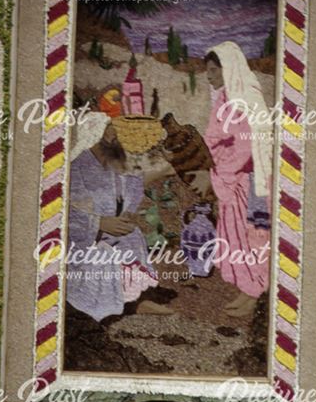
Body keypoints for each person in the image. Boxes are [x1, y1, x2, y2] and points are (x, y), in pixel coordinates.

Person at [190, 41, 273, 317]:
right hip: (231, 177)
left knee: (251, 237)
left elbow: (245, 146)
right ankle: (247, 289)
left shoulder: (241, 99)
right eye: (207, 70)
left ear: (228, 69)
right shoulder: (227, 97)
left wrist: (218, 172)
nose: (209, 75)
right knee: (237, 237)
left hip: (245, 180)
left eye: (214, 70)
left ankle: (254, 292)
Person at [66, 112, 171, 321]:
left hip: (111, 235)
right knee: (104, 257)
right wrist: (99, 224)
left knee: (131, 239)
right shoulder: (77, 167)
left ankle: (135, 301)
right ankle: (100, 309)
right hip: (79, 244)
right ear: (108, 137)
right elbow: (62, 213)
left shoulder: (115, 163)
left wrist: (123, 217)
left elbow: (130, 188)